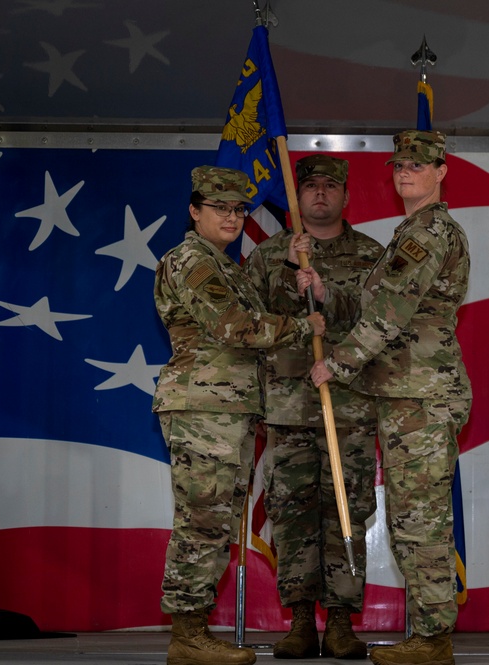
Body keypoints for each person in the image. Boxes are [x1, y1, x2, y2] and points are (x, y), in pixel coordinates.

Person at [300, 130, 471, 665]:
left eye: (418, 165)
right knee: (410, 517)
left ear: (441, 170)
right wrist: (332, 294)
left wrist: (339, 363)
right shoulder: (411, 231)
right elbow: (381, 300)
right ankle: (429, 633)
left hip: (420, 397)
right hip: (406, 396)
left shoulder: (429, 232)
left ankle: (433, 638)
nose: (406, 173)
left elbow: (392, 313)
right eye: (399, 165)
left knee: (419, 519)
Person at [152, 165, 326, 665]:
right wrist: (301, 325)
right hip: (202, 407)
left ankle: (194, 630)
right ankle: (186, 635)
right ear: (194, 211)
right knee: (202, 521)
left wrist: (296, 274)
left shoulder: (223, 265)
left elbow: (248, 314)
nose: (231, 217)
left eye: (238, 209)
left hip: (225, 409)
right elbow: (235, 328)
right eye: (219, 208)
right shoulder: (191, 260)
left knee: (216, 522)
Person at [244, 154, 384, 659]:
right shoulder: (270, 256)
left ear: (346, 196)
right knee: (292, 513)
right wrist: (290, 273)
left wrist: (330, 295)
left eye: (331, 186)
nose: (320, 194)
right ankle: (301, 619)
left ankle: (343, 621)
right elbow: (249, 323)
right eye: (310, 187)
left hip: (348, 406)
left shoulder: (371, 255)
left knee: (347, 512)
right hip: (287, 405)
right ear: (296, 197)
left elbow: (380, 323)